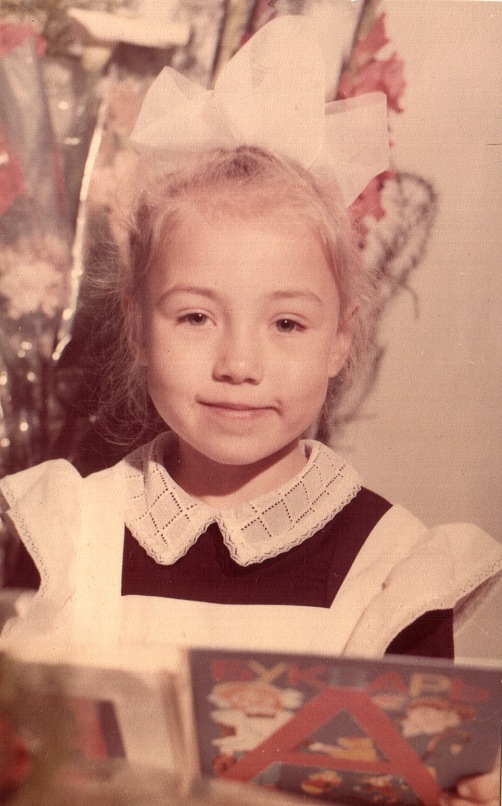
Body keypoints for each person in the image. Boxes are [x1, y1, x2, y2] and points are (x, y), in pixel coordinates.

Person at [0, 16, 500, 806]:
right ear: (137, 326)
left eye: (287, 324)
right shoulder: (68, 533)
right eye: (196, 316)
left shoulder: (393, 573)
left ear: (341, 339)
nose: (239, 363)